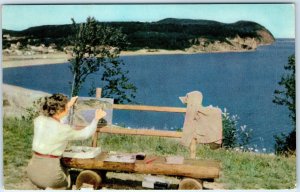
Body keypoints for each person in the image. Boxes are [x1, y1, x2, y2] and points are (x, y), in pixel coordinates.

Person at [26, 93, 106, 189]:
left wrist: (67, 105)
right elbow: (85, 134)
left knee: (63, 171)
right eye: (66, 108)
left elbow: (57, 120)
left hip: (32, 171)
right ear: (60, 109)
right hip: (50, 176)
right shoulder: (64, 129)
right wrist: (96, 119)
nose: (68, 110)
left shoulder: (39, 120)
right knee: (66, 183)